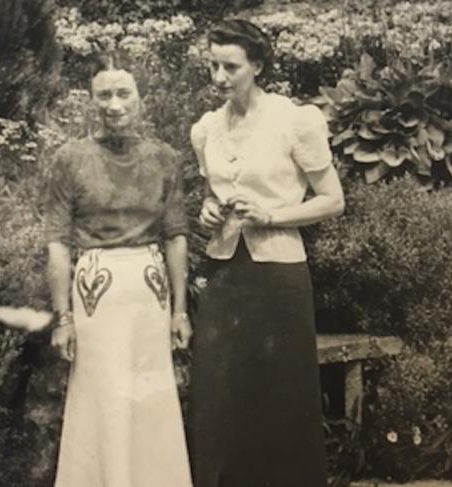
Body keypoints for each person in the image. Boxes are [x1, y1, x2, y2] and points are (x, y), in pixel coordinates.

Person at [187, 19, 345, 487]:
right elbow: (212, 194)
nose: (219, 77)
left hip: (278, 275)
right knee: (219, 391)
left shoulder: (293, 121)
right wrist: (208, 212)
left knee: (279, 392)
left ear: (257, 65)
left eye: (230, 67)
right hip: (223, 274)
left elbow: (333, 200)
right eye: (213, 66)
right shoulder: (207, 129)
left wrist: (272, 215)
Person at [44, 53, 194, 487]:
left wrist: (180, 311)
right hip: (96, 292)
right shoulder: (70, 159)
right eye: (104, 95)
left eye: (124, 93)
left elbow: (176, 236)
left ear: (141, 98)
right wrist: (63, 318)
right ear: (90, 100)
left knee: (151, 397)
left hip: (149, 290)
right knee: (104, 395)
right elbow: (57, 241)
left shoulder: (164, 158)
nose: (114, 105)